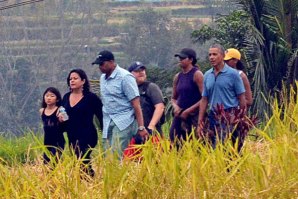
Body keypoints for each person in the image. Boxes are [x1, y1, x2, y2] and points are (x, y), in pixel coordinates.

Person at [92, 50, 149, 157]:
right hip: (108, 120)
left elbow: (136, 104)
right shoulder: (102, 79)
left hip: (124, 120)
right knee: (106, 155)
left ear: (111, 62)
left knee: (116, 155)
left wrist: (141, 127)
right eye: (99, 64)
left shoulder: (125, 77)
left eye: (102, 64)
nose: (100, 67)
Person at [196, 44, 246, 150]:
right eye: (210, 55)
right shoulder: (207, 75)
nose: (211, 57)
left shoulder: (233, 74)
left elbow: (241, 98)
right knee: (211, 146)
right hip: (213, 115)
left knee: (225, 147)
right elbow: (204, 99)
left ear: (223, 56)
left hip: (230, 114)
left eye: (215, 54)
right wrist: (200, 121)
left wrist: (242, 118)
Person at [60, 69, 103, 177]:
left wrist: (105, 131)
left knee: (83, 158)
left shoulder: (91, 98)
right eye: (70, 79)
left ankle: (88, 182)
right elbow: (62, 112)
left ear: (83, 81)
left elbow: (101, 115)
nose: (72, 81)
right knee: (77, 161)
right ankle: (87, 183)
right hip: (72, 135)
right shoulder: (66, 97)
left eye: (75, 78)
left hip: (88, 134)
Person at [170, 48, 204, 143]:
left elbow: (204, 98)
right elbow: (173, 98)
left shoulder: (197, 74)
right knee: (174, 138)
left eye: (183, 58)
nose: (180, 60)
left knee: (195, 141)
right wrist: (175, 107)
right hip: (180, 114)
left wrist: (188, 111)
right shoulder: (178, 76)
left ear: (191, 60)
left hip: (194, 115)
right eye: (179, 58)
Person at [128, 61, 165, 135]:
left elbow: (160, 107)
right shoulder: (128, 89)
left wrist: (151, 126)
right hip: (132, 132)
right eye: (137, 71)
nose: (141, 72)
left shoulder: (151, 87)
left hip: (151, 131)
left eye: (142, 70)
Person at [40, 87, 65, 165]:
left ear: (57, 99)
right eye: (47, 96)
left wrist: (62, 118)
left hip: (58, 141)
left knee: (54, 163)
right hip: (47, 141)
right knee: (46, 163)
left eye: (52, 96)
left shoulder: (59, 109)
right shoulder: (42, 111)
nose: (49, 98)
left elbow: (66, 119)